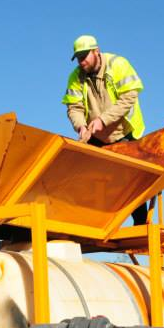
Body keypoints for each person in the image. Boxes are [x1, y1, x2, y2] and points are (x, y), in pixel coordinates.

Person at [62, 35, 148, 223]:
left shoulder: (118, 64)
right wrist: (81, 126)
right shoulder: (76, 77)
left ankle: (140, 222)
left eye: (85, 56)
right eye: (78, 58)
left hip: (124, 131)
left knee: (131, 178)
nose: (81, 61)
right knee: (85, 174)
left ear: (96, 51)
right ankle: (91, 222)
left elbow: (129, 97)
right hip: (96, 134)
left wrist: (103, 119)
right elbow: (74, 107)